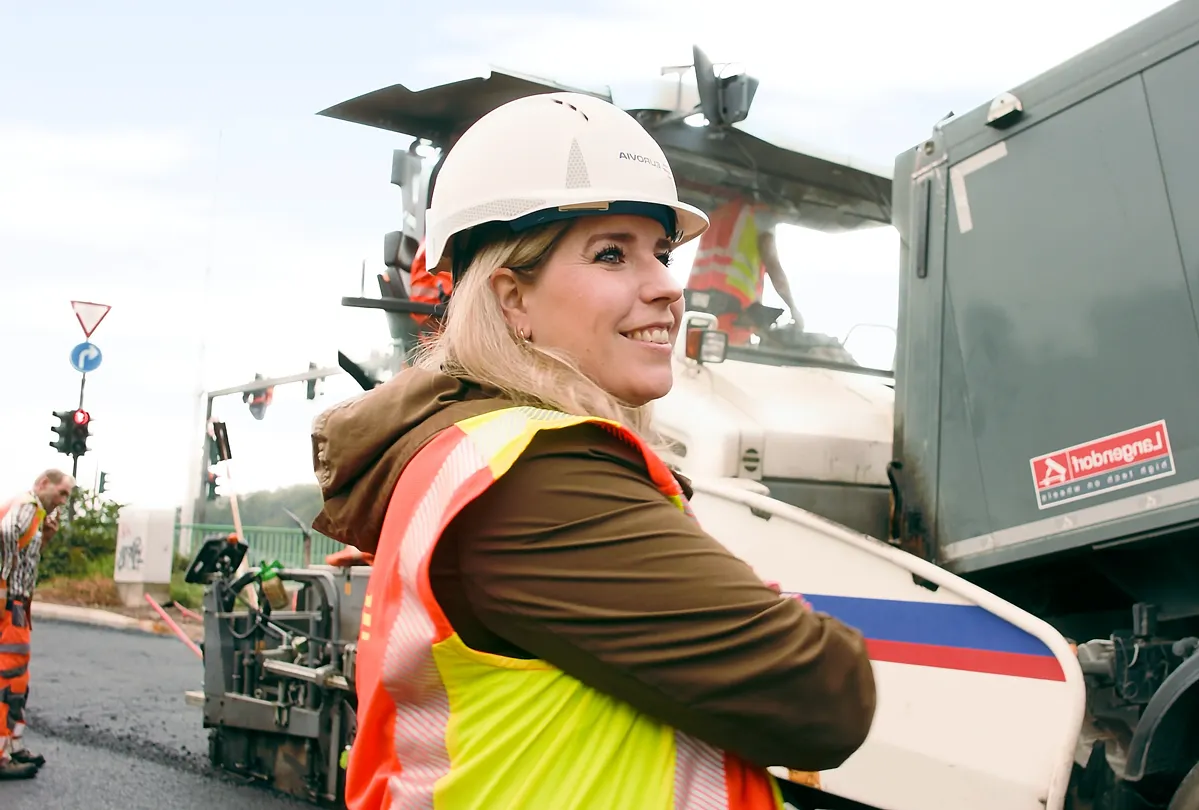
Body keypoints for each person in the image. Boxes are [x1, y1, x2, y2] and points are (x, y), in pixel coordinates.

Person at [310, 91, 876, 810]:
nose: (669, 286)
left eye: (663, 253)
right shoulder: (538, 479)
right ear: (512, 298)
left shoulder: (479, 449)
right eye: (613, 254)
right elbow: (825, 694)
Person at [0, 469, 72, 780]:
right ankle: (2, 754)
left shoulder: (35, 513)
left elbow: (23, 554)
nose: (63, 501)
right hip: (11, 604)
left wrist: (46, 539)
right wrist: (3, 583)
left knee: (18, 677)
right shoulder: (28, 506)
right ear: (44, 484)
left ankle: (12, 744)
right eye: (62, 493)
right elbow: (4, 536)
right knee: (9, 674)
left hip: (18, 604)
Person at [686, 190, 803, 345]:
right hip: (735, 316)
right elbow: (773, 265)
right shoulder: (761, 216)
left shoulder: (720, 213)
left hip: (696, 314)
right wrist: (793, 308)